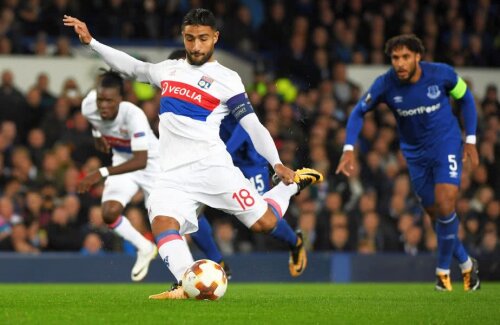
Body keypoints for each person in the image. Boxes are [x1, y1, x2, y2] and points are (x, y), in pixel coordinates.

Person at [64, 8, 323, 300]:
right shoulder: (169, 69)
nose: (195, 46)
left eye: (202, 38)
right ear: (183, 38)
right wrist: (92, 43)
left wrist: (276, 162)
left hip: (213, 169)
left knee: (263, 224)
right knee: (162, 223)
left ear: (215, 38)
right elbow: (133, 68)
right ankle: (189, 283)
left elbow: (253, 125)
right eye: (189, 38)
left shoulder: (227, 79)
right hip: (173, 174)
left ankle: (290, 188)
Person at [336, 34, 480, 292]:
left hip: (445, 144)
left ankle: (442, 274)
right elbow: (359, 111)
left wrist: (470, 139)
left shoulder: (442, 75)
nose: (400, 63)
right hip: (415, 155)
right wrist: (348, 149)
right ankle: (468, 264)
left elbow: (466, 97)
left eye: (405, 57)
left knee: (446, 199)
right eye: (395, 58)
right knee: (437, 214)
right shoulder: (385, 84)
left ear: (417, 57)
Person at [78, 70, 160, 281]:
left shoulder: (134, 115)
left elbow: (141, 160)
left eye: (109, 101)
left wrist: (101, 172)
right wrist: (97, 135)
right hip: (123, 161)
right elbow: (95, 120)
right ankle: (144, 247)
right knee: (109, 213)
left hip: (153, 164)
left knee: (165, 224)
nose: (103, 105)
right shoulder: (89, 106)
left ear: (120, 100)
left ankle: (187, 270)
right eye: (100, 100)